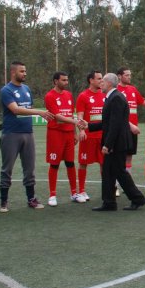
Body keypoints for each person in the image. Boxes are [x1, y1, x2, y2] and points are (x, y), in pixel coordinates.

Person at [0, 61, 54, 212]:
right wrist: (39, 112)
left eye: (25, 71)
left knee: (29, 169)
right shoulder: (6, 90)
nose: (25, 74)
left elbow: (26, 108)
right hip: (11, 134)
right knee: (7, 168)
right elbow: (15, 110)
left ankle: (31, 199)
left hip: (28, 133)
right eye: (22, 71)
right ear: (13, 73)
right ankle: (4, 202)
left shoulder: (26, 89)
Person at [87, 73, 145, 211]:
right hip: (116, 142)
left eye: (102, 82)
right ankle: (109, 202)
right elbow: (108, 122)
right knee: (109, 172)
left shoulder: (116, 98)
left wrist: (108, 145)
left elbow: (115, 125)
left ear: (109, 83)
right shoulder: (112, 97)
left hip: (117, 144)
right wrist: (89, 126)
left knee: (119, 172)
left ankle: (137, 198)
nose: (100, 84)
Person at [44, 72, 86, 206]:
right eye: (63, 80)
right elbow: (57, 116)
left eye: (67, 80)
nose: (66, 82)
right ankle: (52, 195)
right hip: (55, 133)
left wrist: (74, 132)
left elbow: (70, 113)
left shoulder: (68, 95)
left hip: (68, 134)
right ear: (55, 81)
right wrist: (75, 122)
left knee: (70, 163)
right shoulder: (49, 96)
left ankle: (74, 193)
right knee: (54, 164)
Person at [76, 71, 105, 202]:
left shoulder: (105, 95)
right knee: (83, 163)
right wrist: (81, 130)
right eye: (99, 79)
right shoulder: (83, 96)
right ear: (91, 80)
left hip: (103, 136)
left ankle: (107, 189)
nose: (101, 81)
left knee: (104, 164)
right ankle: (81, 191)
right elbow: (80, 116)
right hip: (88, 137)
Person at [116, 67, 145, 171]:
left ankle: (127, 184)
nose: (129, 77)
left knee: (129, 156)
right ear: (119, 76)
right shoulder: (116, 90)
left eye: (130, 75)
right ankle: (115, 183)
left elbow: (143, 102)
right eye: (126, 75)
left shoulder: (133, 89)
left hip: (133, 129)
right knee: (119, 157)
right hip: (120, 129)